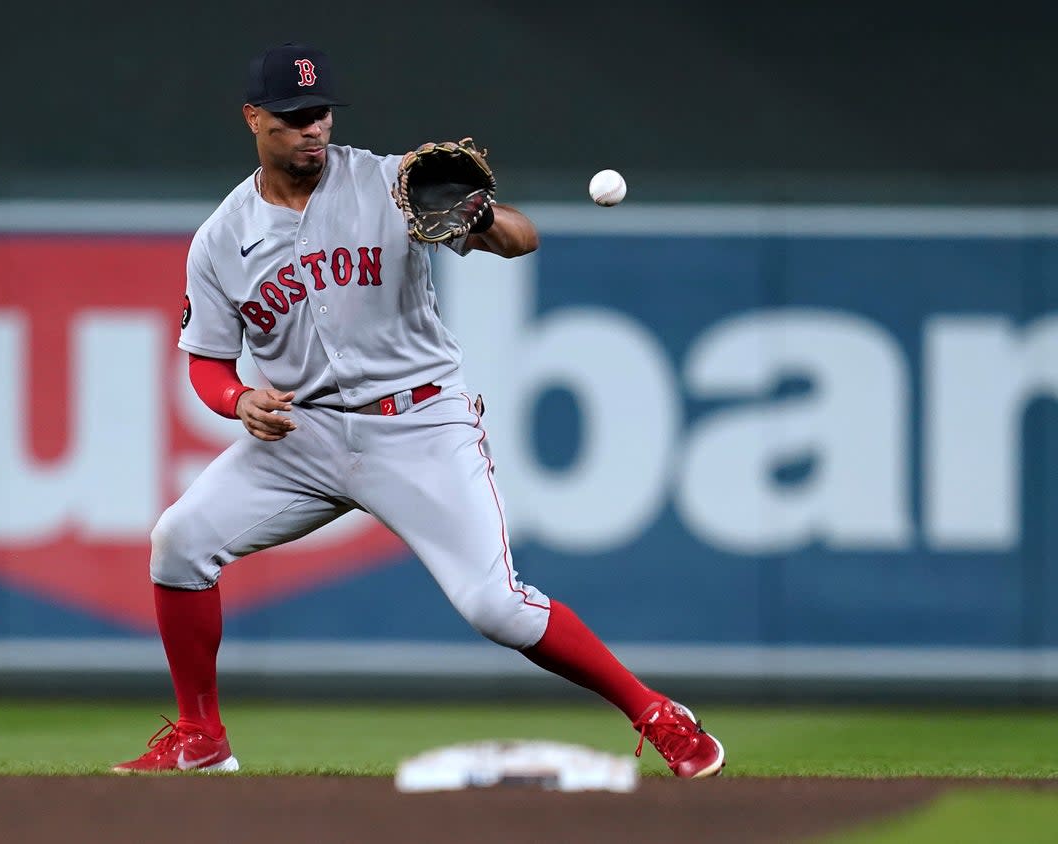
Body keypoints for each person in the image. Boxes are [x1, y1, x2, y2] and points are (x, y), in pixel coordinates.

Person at [113, 41, 725, 778]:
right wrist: (238, 399)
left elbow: (522, 240)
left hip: (417, 425)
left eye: (322, 113)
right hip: (304, 436)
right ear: (253, 119)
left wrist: (481, 220)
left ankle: (656, 712)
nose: (313, 129)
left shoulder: (392, 182)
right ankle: (200, 737)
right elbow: (206, 362)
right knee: (178, 544)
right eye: (294, 116)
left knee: (495, 608)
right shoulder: (222, 239)